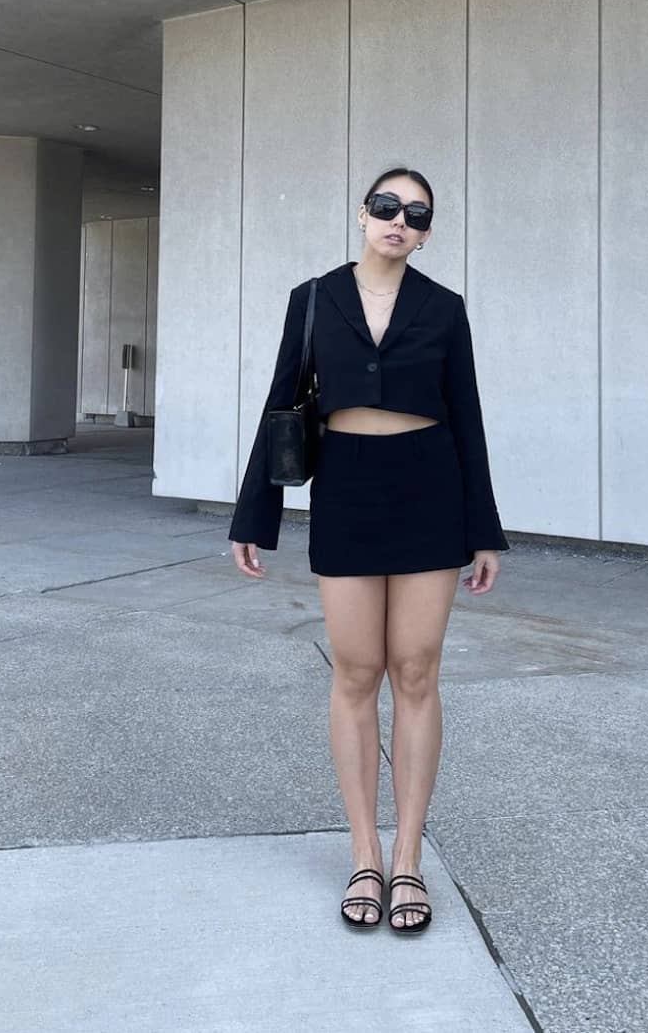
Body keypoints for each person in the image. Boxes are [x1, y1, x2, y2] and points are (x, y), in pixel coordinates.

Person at [228, 166, 509, 935]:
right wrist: (255, 513)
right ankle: (365, 854)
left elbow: (469, 416)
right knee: (357, 671)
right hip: (347, 488)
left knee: (416, 669)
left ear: (425, 231)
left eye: (415, 214)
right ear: (362, 214)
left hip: (430, 487)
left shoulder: (444, 310)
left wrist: (483, 529)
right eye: (387, 207)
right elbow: (282, 403)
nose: (399, 221)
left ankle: (409, 858)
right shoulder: (314, 298)